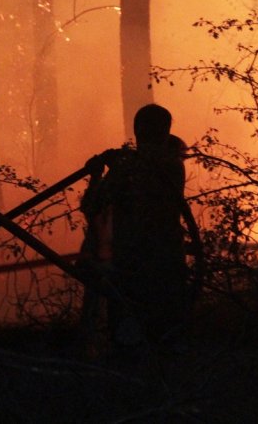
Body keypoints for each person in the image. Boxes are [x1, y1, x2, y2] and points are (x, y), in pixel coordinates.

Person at [79, 104, 190, 346]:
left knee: (133, 335)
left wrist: (98, 174)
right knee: (166, 335)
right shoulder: (171, 163)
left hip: (134, 265)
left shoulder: (133, 168)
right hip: (167, 261)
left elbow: (92, 206)